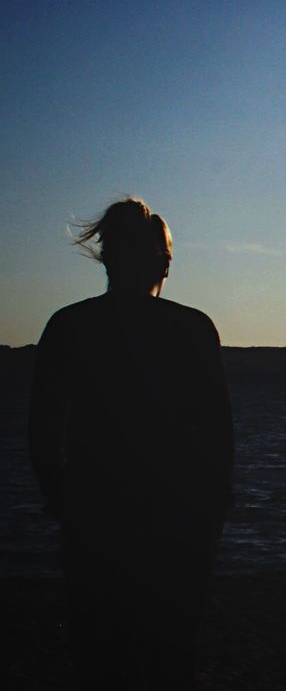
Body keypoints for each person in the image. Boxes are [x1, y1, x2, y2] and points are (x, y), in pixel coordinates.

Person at [28, 197, 233, 690]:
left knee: (101, 649)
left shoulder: (69, 326)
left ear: (107, 256)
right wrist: (215, 504)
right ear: (163, 261)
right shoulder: (192, 327)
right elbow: (218, 432)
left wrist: (59, 494)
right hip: (177, 513)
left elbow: (43, 427)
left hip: (95, 507)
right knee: (171, 648)